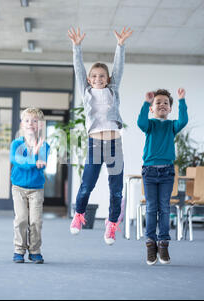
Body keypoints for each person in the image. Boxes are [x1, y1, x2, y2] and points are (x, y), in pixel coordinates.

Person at [68, 27, 133, 245]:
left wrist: (120, 45)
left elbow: (119, 67)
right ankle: (79, 215)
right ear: (89, 78)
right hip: (95, 143)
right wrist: (76, 47)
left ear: (108, 78)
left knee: (116, 189)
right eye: (94, 76)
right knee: (87, 184)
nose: (98, 78)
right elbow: (78, 69)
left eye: (102, 76)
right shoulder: (86, 91)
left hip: (115, 143)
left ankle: (112, 224)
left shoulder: (112, 88)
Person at [137, 88, 188, 265]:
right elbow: (140, 122)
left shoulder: (171, 125)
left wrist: (181, 100)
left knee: (164, 208)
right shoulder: (150, 125)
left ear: (170, 108)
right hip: (150, 171)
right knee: (151, 208)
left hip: (167, 171)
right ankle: (151, 244)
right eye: (158, 102)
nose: (162, 105)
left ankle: (163, 243)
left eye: (166, 103)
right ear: (152, 108)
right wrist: (145, 103)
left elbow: (183, 121)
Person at [10, 108, 50, 264]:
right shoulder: (16, 144)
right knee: (21, 219)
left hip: (36, 189)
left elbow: (42, 164)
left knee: (35, 221)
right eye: (27, 120)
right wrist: (34, 158)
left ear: (40, 125)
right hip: (18, 188)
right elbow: (17, 161)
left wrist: (36, 159)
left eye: (34, 121)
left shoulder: (44, 145)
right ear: (22, 124)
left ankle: (34, 251)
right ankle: (19, 250)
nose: (30, 124)